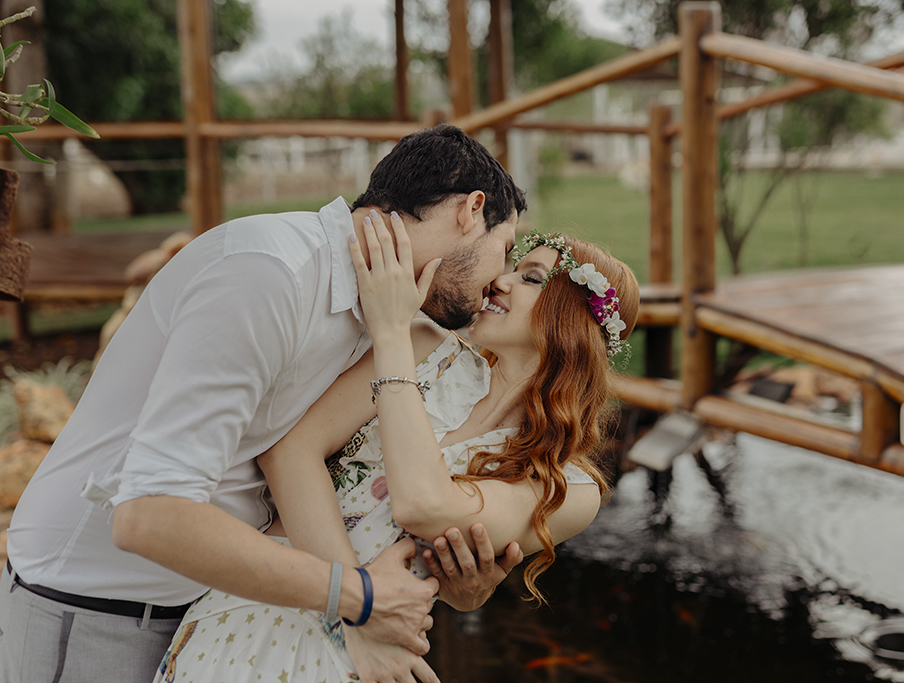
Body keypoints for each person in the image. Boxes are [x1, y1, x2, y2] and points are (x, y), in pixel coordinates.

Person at [0, 124, 527, 683]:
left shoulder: (390, 311)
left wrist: (452, 582)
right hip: (97, 609)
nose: (501, 280)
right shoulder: (266, 276)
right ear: (472, 210)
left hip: (207, 612)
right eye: (507, 249)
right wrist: (360, 599)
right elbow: (149, 514)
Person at [151, 214, 640, 682]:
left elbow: (425, 506)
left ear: (571, 323)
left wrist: (389, 340)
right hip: (268, 603)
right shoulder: (425, 347)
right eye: (514, 268)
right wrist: (352, 610)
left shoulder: (569, 488)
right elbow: (287, 452)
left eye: (530, 278)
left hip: (373, 652)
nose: (502, 282)